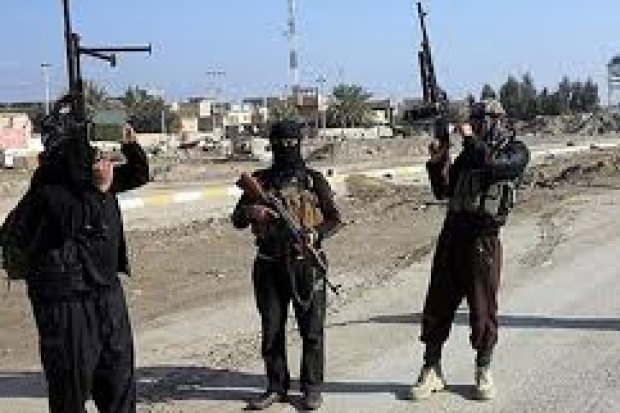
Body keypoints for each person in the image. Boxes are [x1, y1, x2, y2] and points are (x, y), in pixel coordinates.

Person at [4, 125, 149, 413]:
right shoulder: (48, 189)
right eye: (93, 153)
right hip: (66, 301)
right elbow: (74, 219)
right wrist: (99, 190)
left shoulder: (92, 180)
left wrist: (131, 145)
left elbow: (138, 175)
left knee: (119, 381)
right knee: (71, 387)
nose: (101, 159)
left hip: (106, 295)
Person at [410, 99, 530, 401]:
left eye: (479, 121)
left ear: (495, 121)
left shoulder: (515, 152)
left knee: (482, 308)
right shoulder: (468, 154)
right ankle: (431, 369)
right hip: (452, 236)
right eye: (472, 121)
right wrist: (439, 161)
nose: (474, 126)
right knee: (437, 304)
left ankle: (483, 369)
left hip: (483, 240)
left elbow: (492, 165)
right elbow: (444, 191)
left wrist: (469, 139)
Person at [232, 121, 341, 410]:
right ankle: (276, 386)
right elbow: (236, 220)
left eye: (291, 143)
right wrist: (252, 211)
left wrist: (315, 235)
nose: (286, 148)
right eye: (280, 143)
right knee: (272, 329)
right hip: (269, 264)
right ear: (272, 145)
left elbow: (334, 219)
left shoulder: (313, 180)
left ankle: (312, 388)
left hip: (306, 264)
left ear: (300, 144)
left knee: (312, 330)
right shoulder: (260, 180)